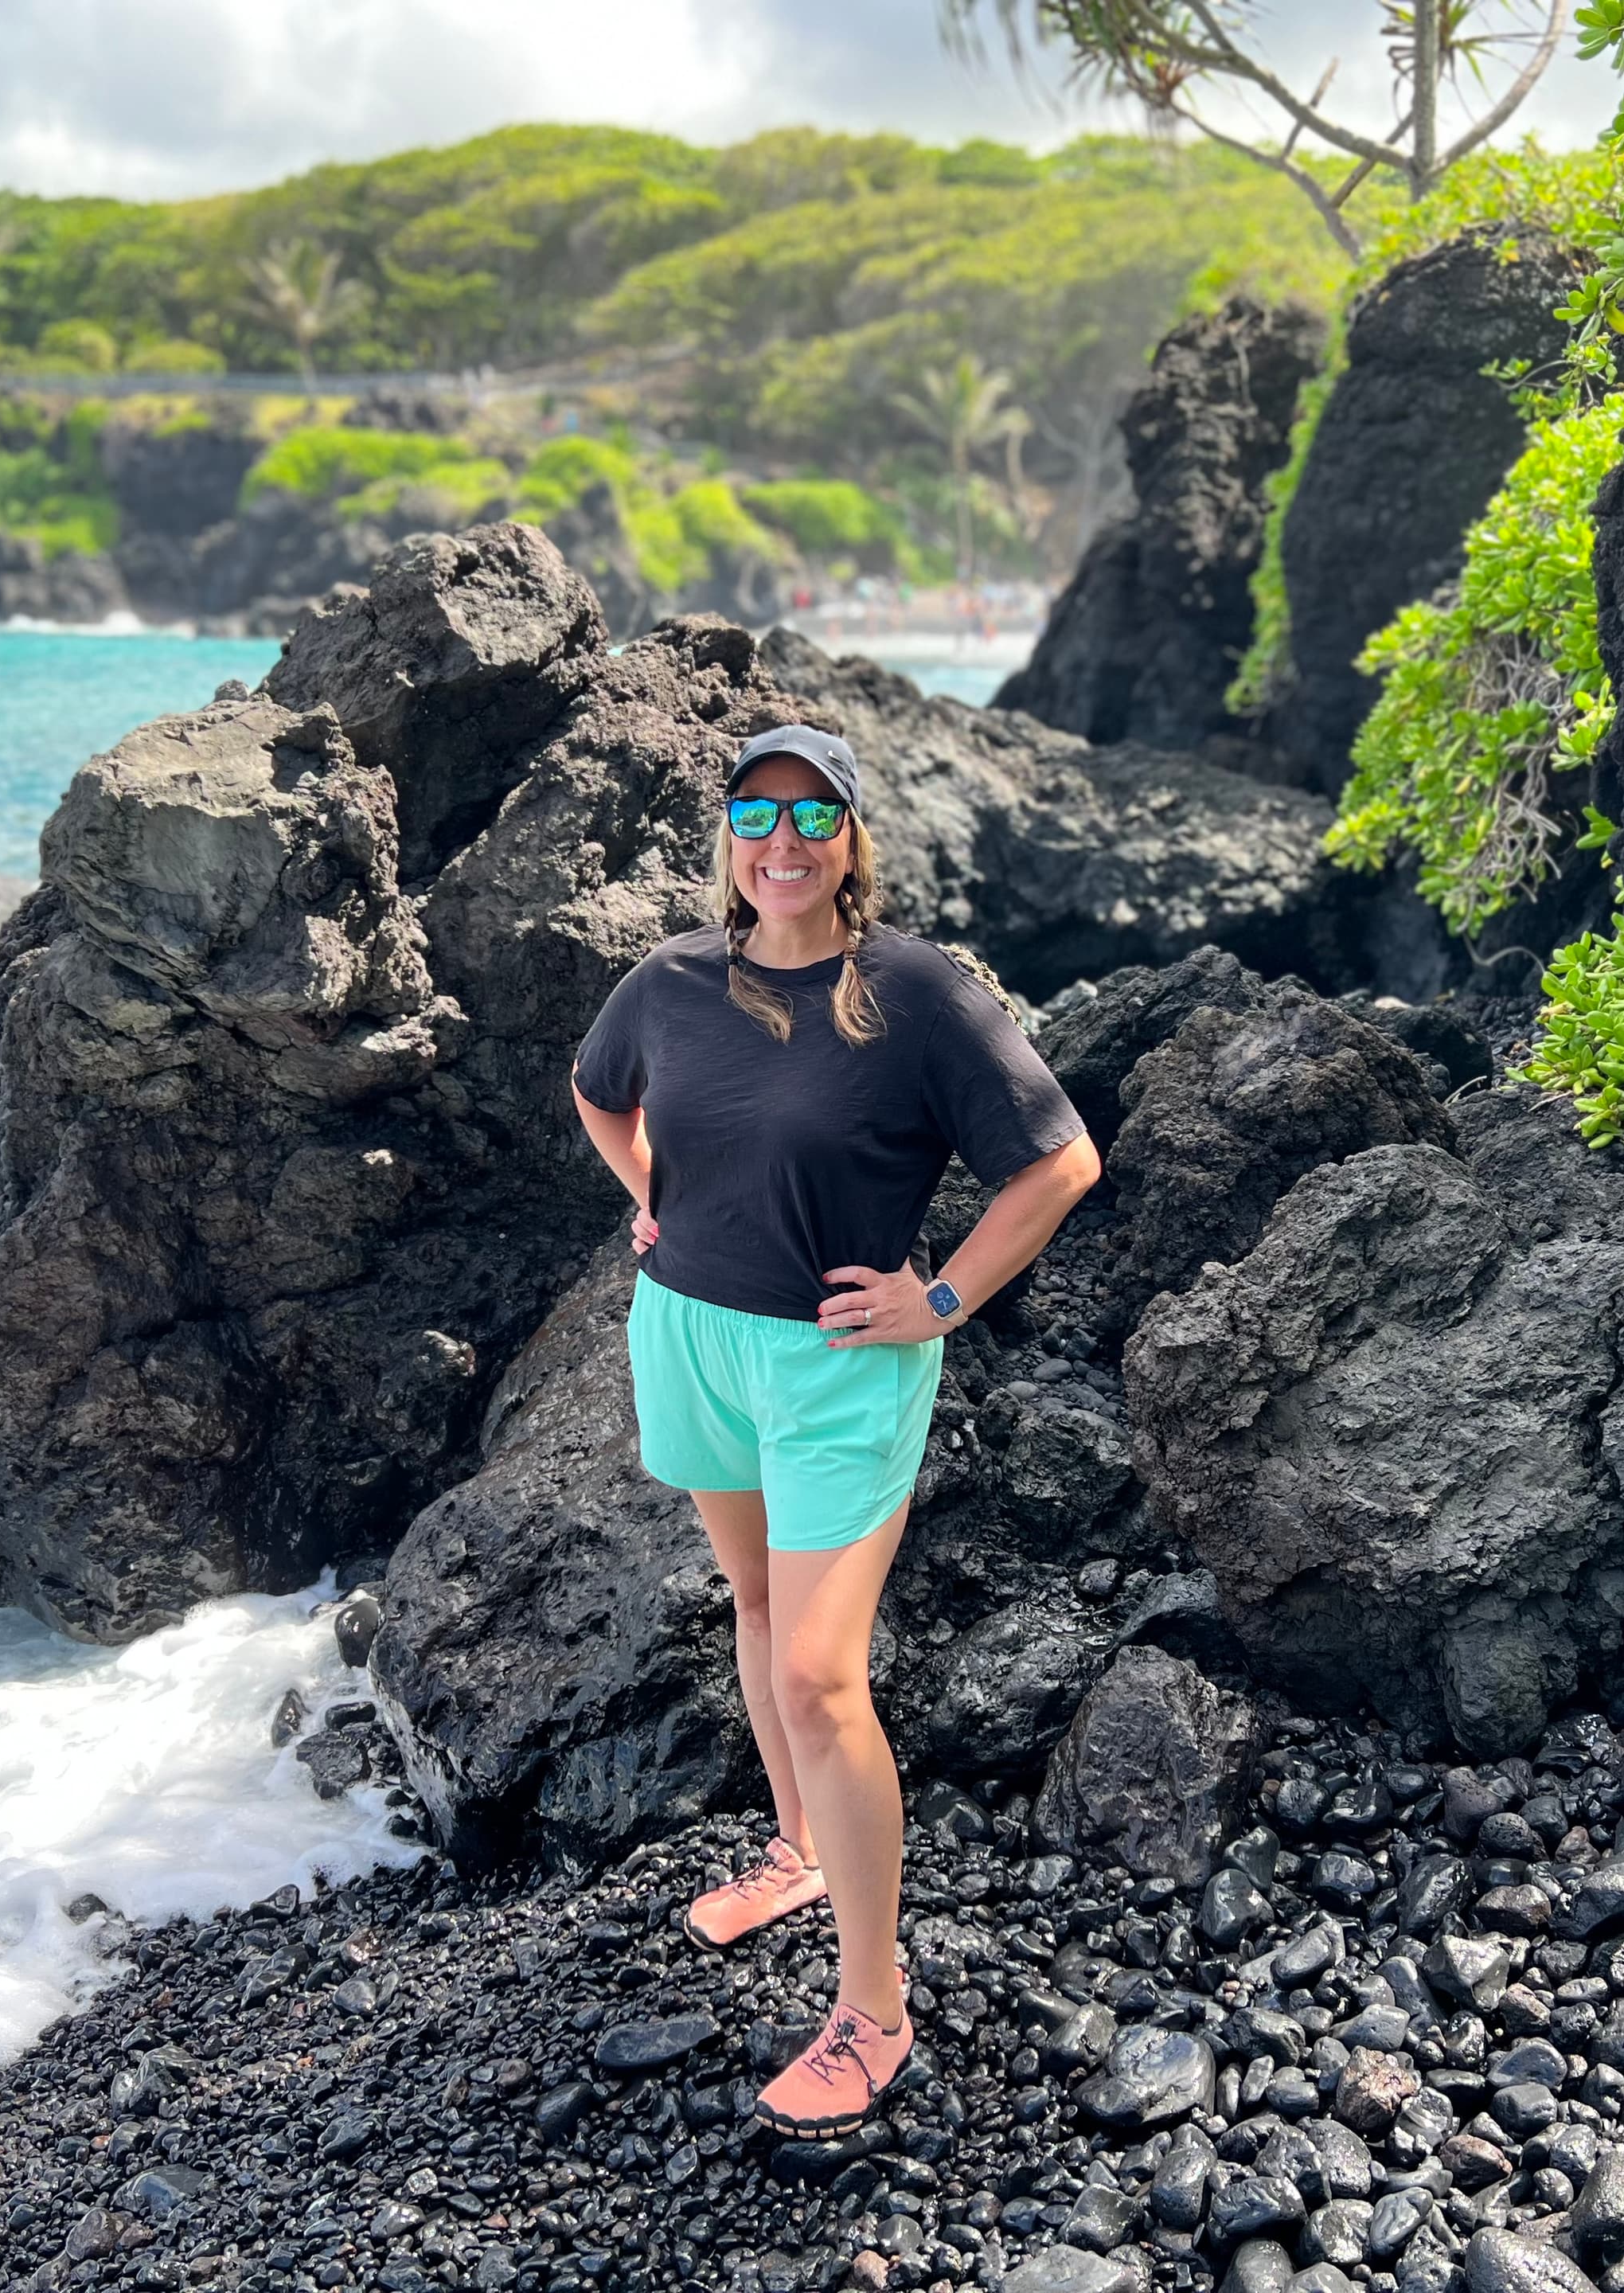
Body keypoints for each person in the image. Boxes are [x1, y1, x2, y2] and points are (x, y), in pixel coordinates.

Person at [569, 723, 1102, 2137]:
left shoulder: (917, 993)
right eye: (759, 810)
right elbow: (599, 1091)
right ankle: (800, 1849)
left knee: (819, 1674)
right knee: (750, 1601)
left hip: (837, 1368)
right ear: (730, 835)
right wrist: (651, 1193)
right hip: (685, 1332)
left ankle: (876, 2011)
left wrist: (939, 1298)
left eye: (816, 814)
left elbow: (1062, 1162)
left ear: (854, 837)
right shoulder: (670, 982)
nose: (785, 838)